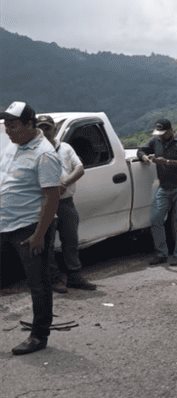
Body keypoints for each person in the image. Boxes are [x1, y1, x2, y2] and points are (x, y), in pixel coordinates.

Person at [0, 101, 61, 355]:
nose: (8, 131)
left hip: (30, 228)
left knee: (38, 283)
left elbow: (52, 197)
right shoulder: (13, 146)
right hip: (5, 224)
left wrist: (38, 236)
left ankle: (39, 336)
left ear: (29, 124)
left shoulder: (44, 154)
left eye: (13, 126)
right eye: (6, 126)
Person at [36, 115, 96, 292]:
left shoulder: (66, 148)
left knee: (70, 240)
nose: (44, 131)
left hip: (66, 202)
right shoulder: (34, 151)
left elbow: (79, 168)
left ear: (54, 129)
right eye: (41, 128)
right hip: (45, 203)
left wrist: (64, 183)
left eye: (47, 127)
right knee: (47, 244)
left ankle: (74, 276)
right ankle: (53, 279)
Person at [136, 119, 177, 266]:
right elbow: (141, 150)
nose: (160, 136)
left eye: (162, 133)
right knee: (156, 219)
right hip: (164, 187)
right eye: (158, 133)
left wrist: (166, 162)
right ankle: (161, 253)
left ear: (169, 131)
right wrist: (144, 157)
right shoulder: (155, 141)